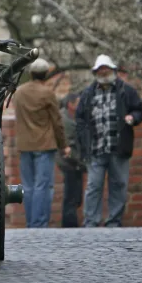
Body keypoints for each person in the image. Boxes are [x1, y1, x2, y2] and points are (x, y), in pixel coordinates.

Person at [76, 54, 142, 228]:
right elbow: (80, 120)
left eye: (106, 69)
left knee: (119, 185)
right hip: (95, 148)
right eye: (100, 70)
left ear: (113, 70)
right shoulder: (87, 93)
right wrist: (83, 142)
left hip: (119, 148)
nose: (104, 72)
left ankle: (114, 222)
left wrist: (133, 117)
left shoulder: (126, 91)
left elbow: (139, 110)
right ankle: (91, 222)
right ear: (96, 72)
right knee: (93, 187)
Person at [11, 59, 69, 228]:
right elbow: (57, 122)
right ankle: (39, 223)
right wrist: (63, 144)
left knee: (27, 187)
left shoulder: (19, 93)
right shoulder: (47, 93)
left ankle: (30, 222)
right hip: (44, 144)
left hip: (24, 144)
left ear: (30, 73)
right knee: (42, 186)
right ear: (46, 74)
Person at [58, 92, 86, 228]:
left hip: (73, 162)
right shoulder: (66, 120)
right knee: (72, 196)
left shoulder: (70, 118)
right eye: (78, 103)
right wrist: (81, 162)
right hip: (70, 163)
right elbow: (69, 144)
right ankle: (70, 224)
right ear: (70, 104)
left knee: (75, 196)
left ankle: (70, 222)